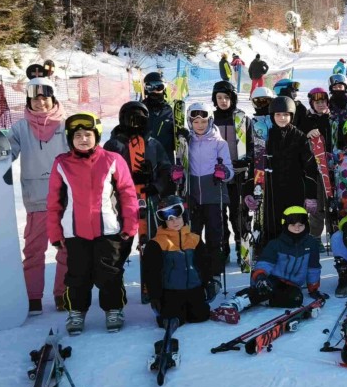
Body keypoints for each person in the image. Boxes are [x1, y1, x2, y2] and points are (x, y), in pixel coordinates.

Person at [47, 113, 138, 335]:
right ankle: (76, 312)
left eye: (88, 134)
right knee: (78, 274)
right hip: (75, 231)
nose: (83, 139)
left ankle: (114, 309)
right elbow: (54, 202)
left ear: (96, 136)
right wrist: (55, 232)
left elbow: (128, 195)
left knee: (110, 273)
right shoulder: (61, 163)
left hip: (108, 229)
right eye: (78, 135)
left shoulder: (113, 159)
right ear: (70, 139)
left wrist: (130, 225)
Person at [9, 78, 69, 314]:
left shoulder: (66, 124)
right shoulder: (20, 128)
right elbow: (7, 152)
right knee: (34, 250)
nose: (40, 103)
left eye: (44, 98)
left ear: (52, 99)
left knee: (66, 248)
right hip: (36, 199)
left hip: (63, 198)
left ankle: (63, 293)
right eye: (35, 99)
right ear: (28, 101)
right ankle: (32, 296)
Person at [218, 206, 324, 320]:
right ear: (285, 225)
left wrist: (313, 288)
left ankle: (262, 299)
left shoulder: (311, 244)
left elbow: (313, 268)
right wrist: (260, 277)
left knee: (296, 299)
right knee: (266, 288)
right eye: (293, 225)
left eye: (300, 225)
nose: (297, 228)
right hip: (271, 278)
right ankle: (235, 304)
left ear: (306, 225)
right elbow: (264, 264)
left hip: (291, 284)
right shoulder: (276, 244)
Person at [102, 101, 173, 268]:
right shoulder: (113, 145)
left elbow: (165, 169)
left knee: (152, 242)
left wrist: (156, 185)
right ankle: (114, 287)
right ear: (123, 120)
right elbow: (104, 174)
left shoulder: (152, 144)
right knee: (119, 244)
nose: (135, 124)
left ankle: (153, 284)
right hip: (121, 202)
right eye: (131, 120)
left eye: (139, 120)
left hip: (148, 199)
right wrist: (128, 180)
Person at [245, 97, 320, 252]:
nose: (282, 118)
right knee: (272, 230)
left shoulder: (300, 137)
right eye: (278, 115)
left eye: (285, 115)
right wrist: (248, 192)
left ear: (291, 116)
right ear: (272, 116)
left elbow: (310, 169)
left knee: (294, 227)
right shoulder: (264, 137)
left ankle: (296, 263)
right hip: (271, 194)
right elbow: (255, 167)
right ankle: (270, 265)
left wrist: (311, 196)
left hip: (294, 192)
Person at [141, 196, 215, 328]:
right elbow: (151, 272)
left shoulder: (195, 239)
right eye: (170, 219)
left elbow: (204, 265)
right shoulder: (157, 244)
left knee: (201, 316)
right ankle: (170, 311)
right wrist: (154, 296)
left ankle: (191, 306)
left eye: (178, 217)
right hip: (171, 291)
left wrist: (208, 282)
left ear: (184, 217)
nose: (175, 222)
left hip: (194, 288)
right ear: (164, 222)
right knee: (173, 319)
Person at [183, 102, 235, 290]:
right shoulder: (186, 141)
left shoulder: (219, 143)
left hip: (214, 194)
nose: (200, 125)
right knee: (194, 235)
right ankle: (198, 270)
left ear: (209, 120)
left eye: (203, 121)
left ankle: (215, 275)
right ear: (190, 122)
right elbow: (181, 164)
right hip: (194, 196)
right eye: (195, 121)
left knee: (216, 236)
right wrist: (178, 174)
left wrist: (224, 173)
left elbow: (229, 170)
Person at [211, 80, 251, 265]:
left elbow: (252, 145)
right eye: (219, 98)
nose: (223, 101)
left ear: (232, 98)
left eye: (227, 97)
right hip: (216, 177)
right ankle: (222, 248)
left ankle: (242, 248)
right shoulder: (210, 120)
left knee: (239, 214)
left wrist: (247, 158)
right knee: (219, 215)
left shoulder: (242, 119)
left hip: (239, 175)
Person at [297, 87, 335, 238]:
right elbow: (297, 137)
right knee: (317, 204)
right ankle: (315, 237)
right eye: (317, 102)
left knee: (332, 203)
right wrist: (306, 134)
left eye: (323, 101)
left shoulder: (333, 119)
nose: (321, 104)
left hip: (333, 168)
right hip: (314, 168)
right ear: (311, 103)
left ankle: (334, 233)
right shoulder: (306, 120)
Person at [141, 71, 176, 165]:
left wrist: (181, 135)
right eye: (150, 87)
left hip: (166, 161)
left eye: (159, 87)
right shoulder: (139, 110)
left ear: (164, 89)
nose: (155, 90)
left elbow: (175, 142)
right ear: (146, 89)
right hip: (144, 161)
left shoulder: (170, 111)